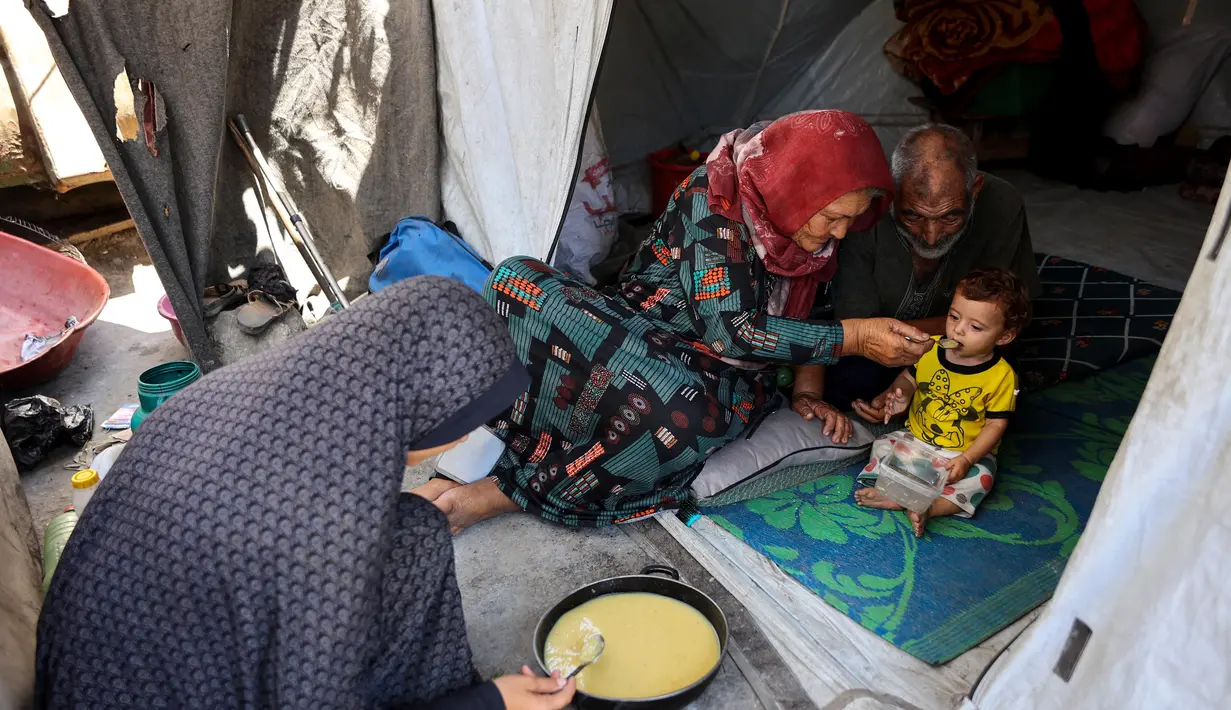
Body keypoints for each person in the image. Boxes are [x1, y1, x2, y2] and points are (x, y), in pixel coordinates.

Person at [35, 277, 576, 710]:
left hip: (124, 650)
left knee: (413, 531)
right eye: (467, 421)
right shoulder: (321, 527)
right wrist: (491, 702)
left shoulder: (259, 390)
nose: (464, 435)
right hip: (156, 689)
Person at [422, 110, 935, 532]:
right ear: (795, 186)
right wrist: (859, 337)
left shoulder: (815, 239)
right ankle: (508, 441)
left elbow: (810, 313)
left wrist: (805, 392)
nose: (839, 235)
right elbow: (730, 329)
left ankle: (504, 492)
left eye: (851, 218)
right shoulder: (715, 199)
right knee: (514, 281)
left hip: (717, 379)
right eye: (832, 217)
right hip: (630, 327)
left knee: (674, 419)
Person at [792, 124, 1041, 417]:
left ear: (974, 191)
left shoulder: (1002, 203)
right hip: (873, 347)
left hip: (957, 344)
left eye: (951, 217)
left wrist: (915, 345)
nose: (932, 235)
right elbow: (853, 326)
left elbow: (1006, 312)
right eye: (913, 215)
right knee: (854, 380)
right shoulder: (863, 211)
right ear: (892, 193)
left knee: (995, 378)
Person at [850, 267, 1029, 537]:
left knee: (982, 478)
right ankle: (894, 495)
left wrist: (968, 459)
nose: (957, 330)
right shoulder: (932, 348)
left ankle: (931, 508)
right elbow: (908, 379)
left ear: (1003, 336)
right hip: (917, 441)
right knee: (884, 444)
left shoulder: (1001, 376)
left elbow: (995, 424)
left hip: (960, 454)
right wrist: (901, 395)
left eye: (975, 327)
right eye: (954, 316)